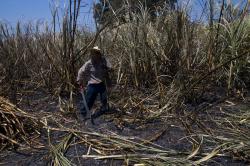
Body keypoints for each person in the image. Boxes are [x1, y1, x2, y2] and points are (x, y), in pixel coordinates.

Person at [77, 46, 112, 120]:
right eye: (94, 53)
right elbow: (80, 71)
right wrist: (79, 80)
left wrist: (107, 68)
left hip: (101, 83)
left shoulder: (104, 61)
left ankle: (104, 109)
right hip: (92, 85)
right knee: (89, 100)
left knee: (104, 98)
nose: (95, 55)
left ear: (99, 54)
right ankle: (83, 113)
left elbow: (111, 68)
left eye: (97, 53)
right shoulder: (89, 63)